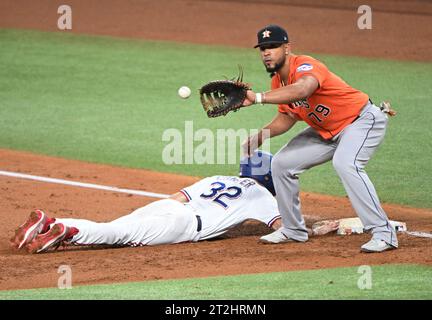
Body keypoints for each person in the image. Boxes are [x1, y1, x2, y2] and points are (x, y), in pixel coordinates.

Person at [241, 25, 398, 253]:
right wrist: (260, 136)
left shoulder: (306, 65)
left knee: (346, 164)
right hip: (326, 132)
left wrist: (257, 98)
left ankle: (384, 233)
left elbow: (303, 89)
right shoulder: (278, 82)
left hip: (360, 121)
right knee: (282, 163)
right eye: (263, 48)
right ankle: (293, 230)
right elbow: (287, 117)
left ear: (287, 48)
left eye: (273, 47)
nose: (267, 52)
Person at [10, 151, 339, 254]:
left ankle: (50, 225)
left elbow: (176, 197)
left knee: (118, 227)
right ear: (269, 178)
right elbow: (287, 227)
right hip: (182, 224)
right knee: (119, 237)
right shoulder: (263, 196)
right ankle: (64, 230)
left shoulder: (216, 178)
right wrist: (316, 229)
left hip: (167, 207)